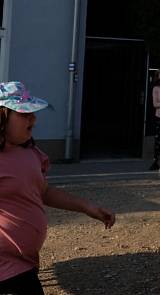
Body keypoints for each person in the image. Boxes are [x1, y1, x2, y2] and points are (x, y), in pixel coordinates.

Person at [0, 82, 115, 295]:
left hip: (24, 262)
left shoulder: (30, 153)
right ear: (2, 118)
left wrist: (86, 207)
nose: (33, 119)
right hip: (6, 268)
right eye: (24, 114)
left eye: (33, 113)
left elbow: (42, 191)